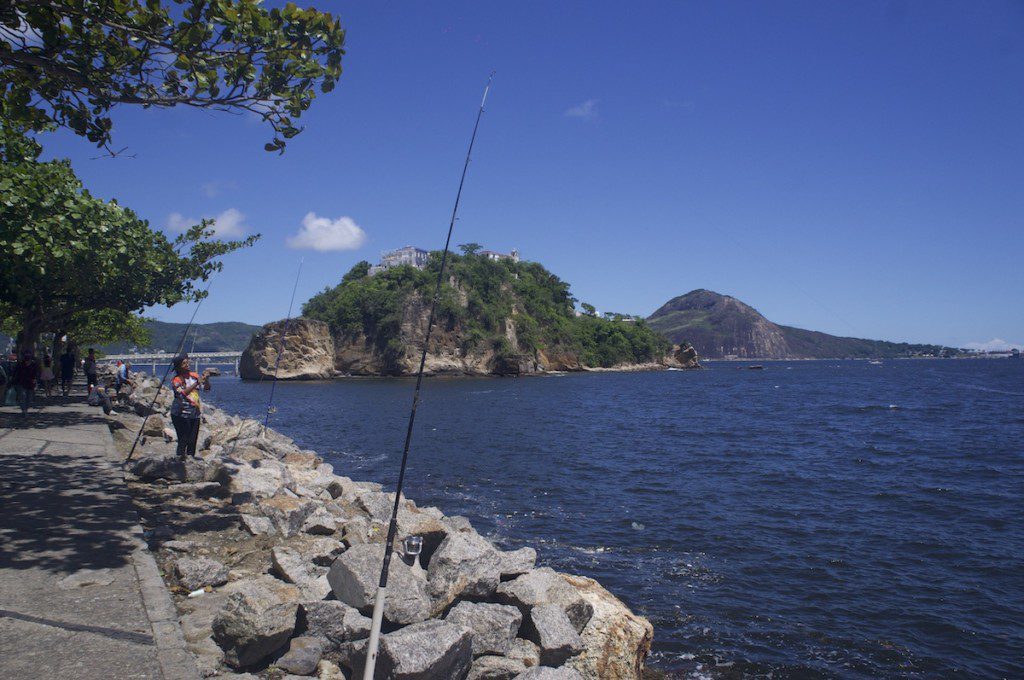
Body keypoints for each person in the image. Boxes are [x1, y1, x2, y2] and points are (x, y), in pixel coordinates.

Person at [170, 354, 212, 459]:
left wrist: (206, 380)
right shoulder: (176, 380)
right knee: (183, 439)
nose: (187, 364)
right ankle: (179, 461)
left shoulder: (195, 376)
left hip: (195, 413)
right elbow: (182, 394)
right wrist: (196, 383)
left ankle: (190, 460)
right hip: (180, 414)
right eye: (184, 363)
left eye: (187, 362)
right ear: (179, 367)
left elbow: (207, 389)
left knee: (192, 440)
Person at [13, 350, 41, 415]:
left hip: (30, 383)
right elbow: (16, 373)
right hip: (21, 383)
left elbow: (36, 374)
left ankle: (26, 408)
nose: (27, 363)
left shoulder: (33, 365)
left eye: (28, 361)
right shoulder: (20, 365)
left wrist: (35, 380)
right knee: (22, 395)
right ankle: (24, 410)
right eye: (26, 361)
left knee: (29, 397)